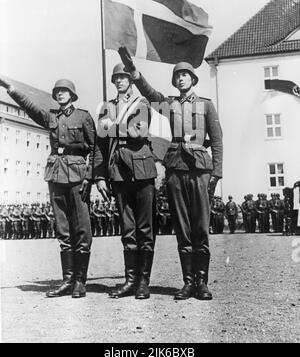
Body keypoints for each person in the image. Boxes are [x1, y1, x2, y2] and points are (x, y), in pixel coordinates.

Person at [118, 47, 223, 301]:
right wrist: (135, 73)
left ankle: (202, 282)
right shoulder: (169, 104)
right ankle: (188, 283)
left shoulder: (206, 106)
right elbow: (149, 92)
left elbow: (217, 139)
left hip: (200, 169)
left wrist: (216, 173)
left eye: (186, 75)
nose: (182, 79)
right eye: (178, 76)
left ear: (193, 80)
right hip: (175, 169)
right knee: (183, 228)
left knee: (201, 227)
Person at [0, 76, 104, 298]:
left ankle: (80, 282)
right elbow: (30, 108)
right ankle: (67, 280)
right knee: (63, 228)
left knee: (82, 229)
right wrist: (10, 89)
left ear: (72, 95)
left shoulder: (83, 116)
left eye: (64, 91)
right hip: (56, 175)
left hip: (77, 176)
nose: (59, 94)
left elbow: (95, 149)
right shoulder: (51, 117)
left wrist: (90, 177)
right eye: (57, 91)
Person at [96, 63, 157, 300]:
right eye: (116, 78)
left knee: (144, 228)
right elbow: (100, 146)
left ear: (131, 80)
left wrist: (112, 127)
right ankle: (130, 280)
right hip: (118, 172)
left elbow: (138, 132)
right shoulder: (107, 107)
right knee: (127, 229)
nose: (120, 81)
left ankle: (143, 282)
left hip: (141, 169)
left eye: (123, 77)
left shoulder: (141, 103)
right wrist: (100, 176)